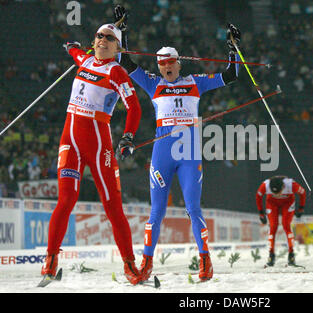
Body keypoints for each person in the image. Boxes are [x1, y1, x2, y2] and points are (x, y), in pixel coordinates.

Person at [113, 5, 241, 282]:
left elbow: (231, 76)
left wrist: (233, 50)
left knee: (193, 208)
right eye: (162, 64)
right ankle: (146, 263)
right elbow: (125, 62)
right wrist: (123, 32)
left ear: (179, 63)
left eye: (170, 63)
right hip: (162, 153)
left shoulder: (196, 82)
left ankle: (205, 261)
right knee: (156, 210)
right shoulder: (152, 83)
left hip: (189, 153)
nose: (166, 68)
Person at [41, 23, 143, 284]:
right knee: (65, 200)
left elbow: (134, 108)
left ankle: (130, 266)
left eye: (110, 38)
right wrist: (71, 46)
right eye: (99, 36)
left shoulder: (117, 71)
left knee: (112, 206)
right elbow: (75, 51)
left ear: (117, 47)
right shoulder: (84, 59)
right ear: (93, 39)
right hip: (70, 142)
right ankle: (50, 261)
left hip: (99, 146)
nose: (103, 40)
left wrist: (128, 137)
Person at [256, 175, 306, 267]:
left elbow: (303, 193)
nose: (277, 195)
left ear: (283, 187)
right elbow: (258, 196)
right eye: (274, 193)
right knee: (273, 226)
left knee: (286, 225)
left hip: (288, 202)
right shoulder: (265, 185)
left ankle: (291, 254)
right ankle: (271, 255)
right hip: (272, 203)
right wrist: (261, 213)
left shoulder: (291, 184)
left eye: (279, 192)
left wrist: (301, 208)